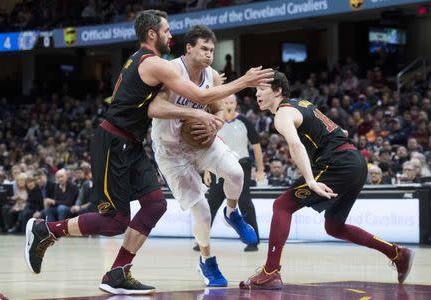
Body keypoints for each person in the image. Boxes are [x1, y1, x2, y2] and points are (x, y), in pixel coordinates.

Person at [25, 9, 273, 295]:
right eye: (167, 31)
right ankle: (47, 230)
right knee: (115, 220)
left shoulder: (151, 62)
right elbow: (199, 98)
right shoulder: (157, 64)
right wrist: (244, 81)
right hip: (113, 141)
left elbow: (208, 99)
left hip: (131, 144)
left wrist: (211, 113)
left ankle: (117, 273)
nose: (171, 36)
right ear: (153, 34)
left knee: (155, 205)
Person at [240, 71, 414, 290]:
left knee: (282, 205)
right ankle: (397, 253)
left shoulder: (282, 114)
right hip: (355, 162)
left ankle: (270, 272)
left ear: (278, 91)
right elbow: (341, 130)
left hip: (338, 163)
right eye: (255, 90)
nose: (257, 94)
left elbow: (295, 145)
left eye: (262, 89)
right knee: (334, 226)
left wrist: (311, 180)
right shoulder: (302, 103)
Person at [150, 25, 258, 287]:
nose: (210, 54)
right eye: (204, 49)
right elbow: (155, 107)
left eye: (212, 50)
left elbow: (219, 110)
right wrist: (195, 114)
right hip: (171, 150)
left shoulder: (212, 75)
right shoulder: (172, 70)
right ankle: (207, 261)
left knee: (236, 172)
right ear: (189, 48)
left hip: (202, 141)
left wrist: (215, 124)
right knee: (201, 210)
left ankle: (232, 213)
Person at [199, 94, 264, 252]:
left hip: (241, 165)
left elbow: (256, 146)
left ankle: (253, 240)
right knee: (211, 203)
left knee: (244, 201)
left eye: (231, 102)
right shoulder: (216, 122)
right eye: (226, 101)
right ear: (222, 103)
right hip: (218, 166)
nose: (229, 104)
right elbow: (209, 146)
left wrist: (260, 169)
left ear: (236, 104)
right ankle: (202, 240)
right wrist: (207, 171)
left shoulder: (244, 121)